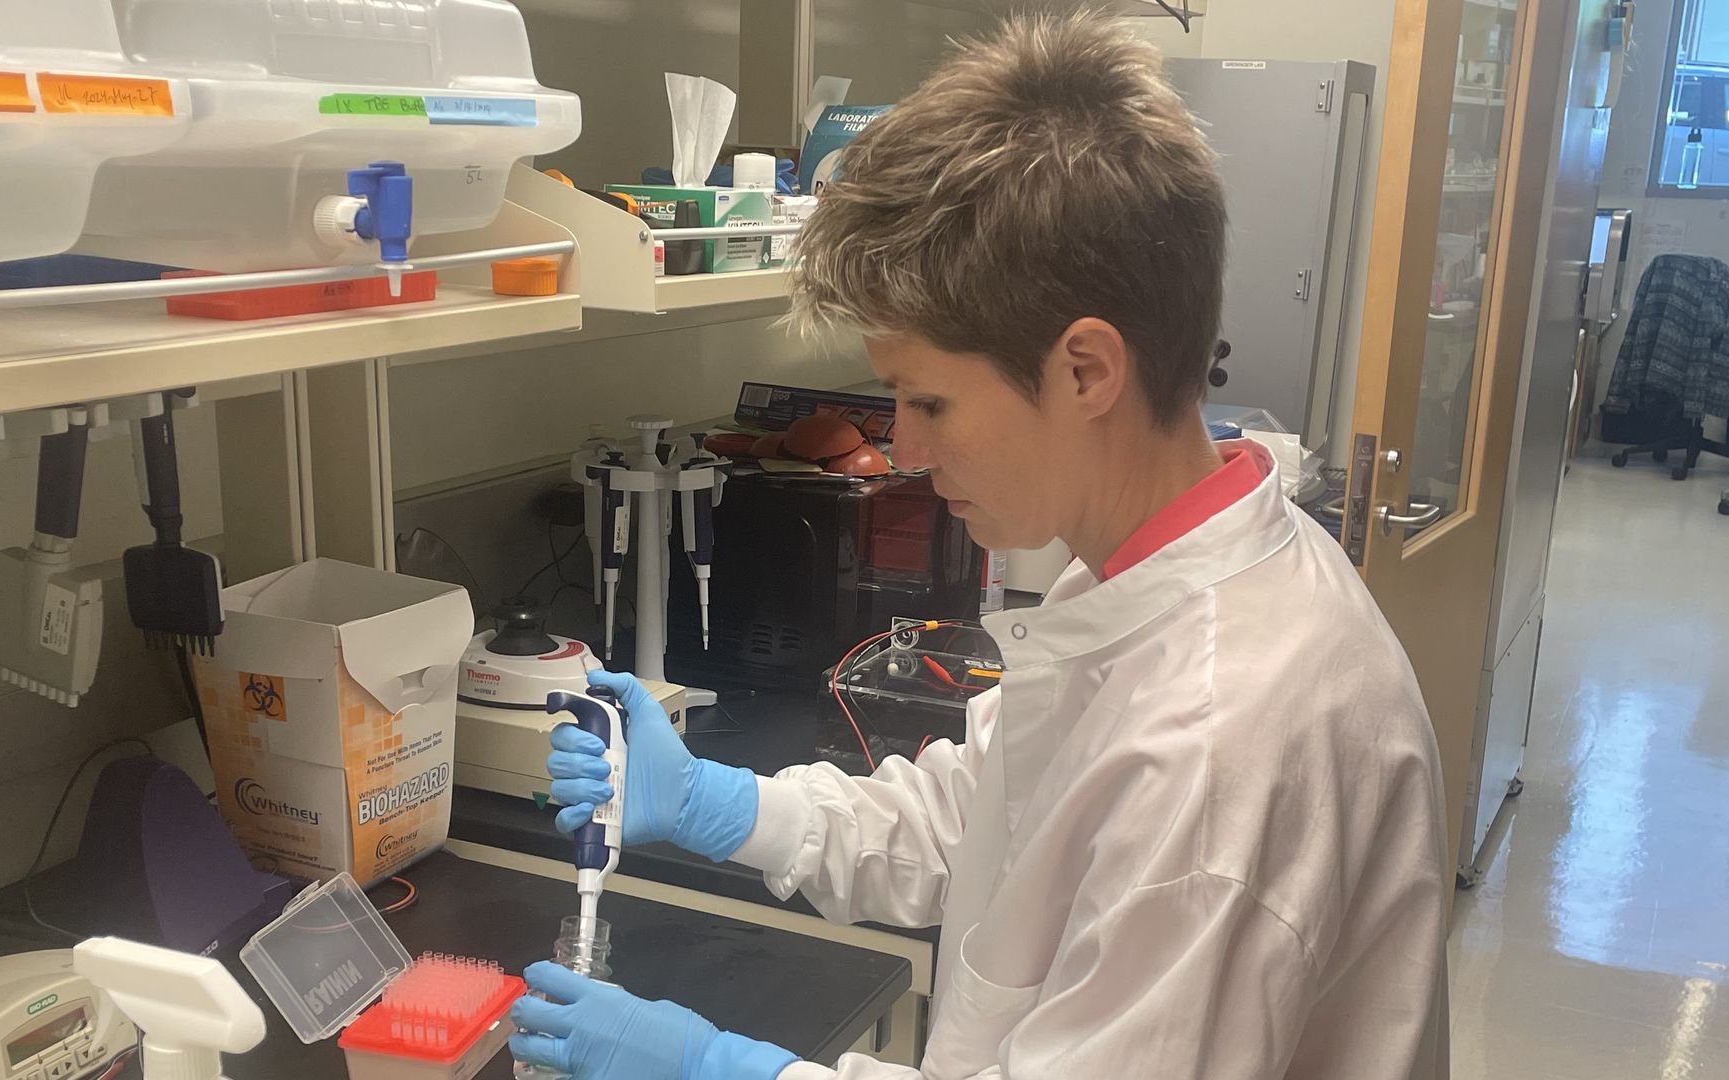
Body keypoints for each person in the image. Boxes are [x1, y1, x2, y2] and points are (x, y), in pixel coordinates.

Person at [508, 12, 1447, 1080]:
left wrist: (721, 1072)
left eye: (928, 402)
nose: (900, 448)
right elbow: (993, 827)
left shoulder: (1217, 747)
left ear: (1086, 370)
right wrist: (724, 805)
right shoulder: (1152, 571)